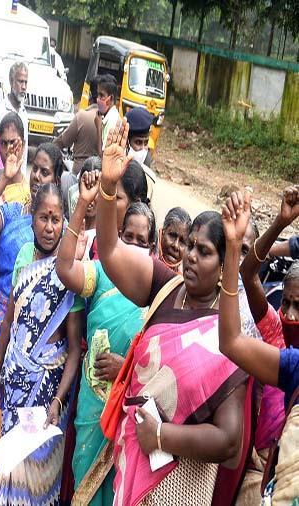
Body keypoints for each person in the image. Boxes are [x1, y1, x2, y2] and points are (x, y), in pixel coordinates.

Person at [90, 120, 245, 505]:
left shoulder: (227, 333)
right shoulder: (167, 288)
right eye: (190, 245)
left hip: (179, 488)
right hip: (133, 467)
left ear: (226, 263)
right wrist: (109, 188)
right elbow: (109, 253)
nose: (190, 256)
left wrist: (162, 437)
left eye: (204, 251)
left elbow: (229, 440)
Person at [0, 183, 82, 506]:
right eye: (43, 218)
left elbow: (74, 350)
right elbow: (9, 323)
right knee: (10, 475)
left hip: (45, 395)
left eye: (56, 219)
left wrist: (57, 400)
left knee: (37, 482)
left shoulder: (71, 273)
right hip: (13, 385)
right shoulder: (26, 256)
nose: (50, 227)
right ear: (32, 219)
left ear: (65, 221)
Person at [52, 169, 146, 505]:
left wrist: (126, 369)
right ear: (118, 236)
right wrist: (82, 205)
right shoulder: (102, 271)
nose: (134, 245)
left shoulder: (158, 292)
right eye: (128, 237)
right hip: (93, 412)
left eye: (142, 240)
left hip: (127, 419)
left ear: (152, 245)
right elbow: (64, 268)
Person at [217, 186, 299, 504]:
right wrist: (279, 222)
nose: (290, 314)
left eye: (298, 306)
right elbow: (249, 274)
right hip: (259, 476)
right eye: (287, 303)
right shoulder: (283, 349)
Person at [54, 77, 101, 173]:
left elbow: (63, 141)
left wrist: (49, 147)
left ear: (90, 95)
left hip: (79, 172)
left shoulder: (82, 116)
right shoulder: (111, 119)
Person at [0, 62, 29, 171]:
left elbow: (24, 151)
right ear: (11, 81)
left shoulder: (24, 113)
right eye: (20, 82)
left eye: (26, 82)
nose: (24, 87)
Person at [158, 207, 191, 274]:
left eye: (182, 242)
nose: (175, 246)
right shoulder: (145, 261)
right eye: (172, 235)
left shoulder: (181, 282)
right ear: (162, 232)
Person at [96, 74, 119, 151]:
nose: (98, 99)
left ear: (111, 98)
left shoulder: (112, 121)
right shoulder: (107, 117)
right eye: (98, 94)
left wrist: (98, 128)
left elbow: (103, 157)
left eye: (101, 95)